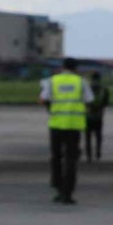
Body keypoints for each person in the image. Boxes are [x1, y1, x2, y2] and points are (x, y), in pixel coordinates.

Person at [39, 58, 92, 205]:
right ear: (76, 68)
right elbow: (89, 101)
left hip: (56, 125)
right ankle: (67, 194)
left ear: (62, 67)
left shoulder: (52, 80)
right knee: (71, 160)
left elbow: (43, 99)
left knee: (56, 158)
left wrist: (52, 106)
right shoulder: (81, 82)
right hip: (74, 126)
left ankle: (57, 189)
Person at [85, 71, 110, 162]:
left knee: (88, 137)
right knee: (98, 135)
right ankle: (98, 152)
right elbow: (106, 103)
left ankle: (89, 155)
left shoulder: (87, 88)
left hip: (88, 115)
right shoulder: (104, 89)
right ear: (99, 78)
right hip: (98, 115)